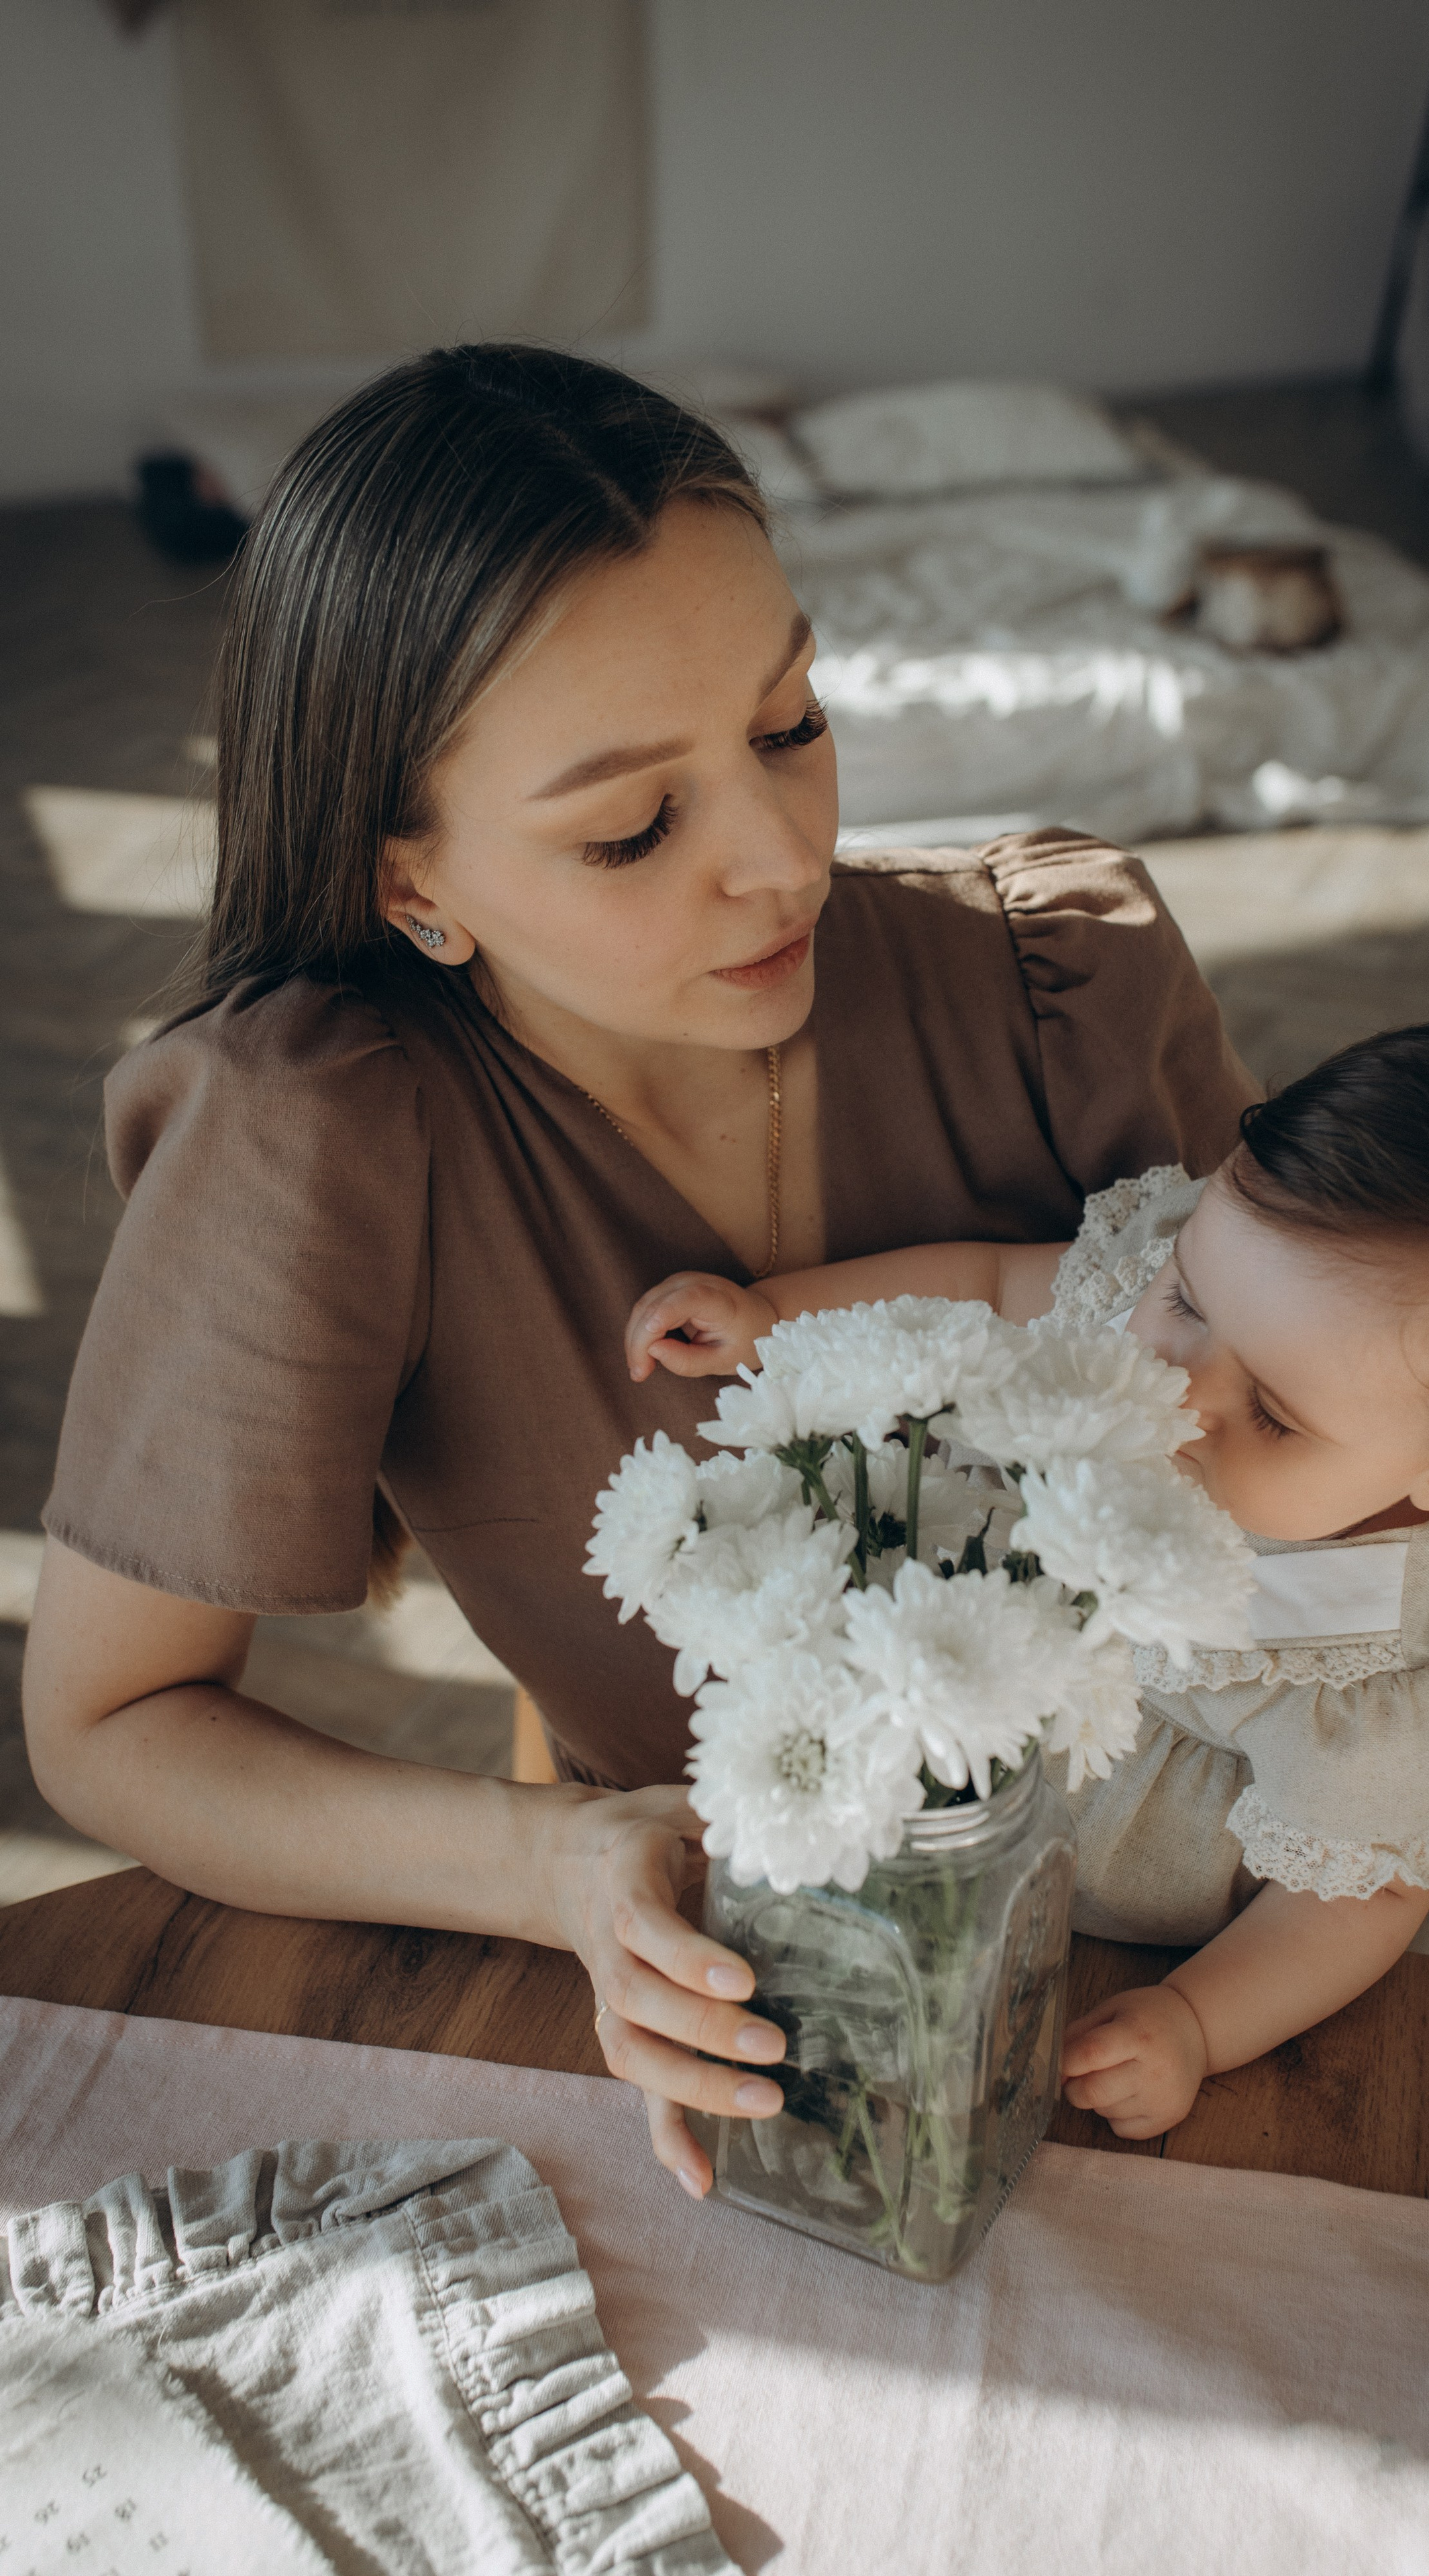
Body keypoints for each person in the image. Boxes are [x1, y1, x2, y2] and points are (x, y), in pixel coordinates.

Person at [21, 345, 1253, 2199]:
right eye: (631, 826)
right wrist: (556, 1865)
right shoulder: (316, 1137)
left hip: (1236, 1920)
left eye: (791, 722)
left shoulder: (1063, 982)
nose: (782, 863)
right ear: (406, 889)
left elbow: (1351, 1484)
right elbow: (108, 1729)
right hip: (743, 1996)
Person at [622, 1012, 1429, 2136]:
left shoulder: (1363, 1675)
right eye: (1186, 1299)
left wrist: (1198, 2020)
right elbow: (991, 1284)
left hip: (1160, 1922)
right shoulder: (1214, 1293)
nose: (1176, 1387)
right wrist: (776, 1319)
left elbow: (1362, 1900)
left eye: (1276, 1418)